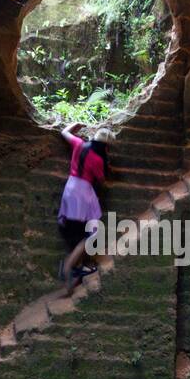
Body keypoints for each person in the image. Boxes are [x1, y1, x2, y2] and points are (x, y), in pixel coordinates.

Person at [57, 124, 114, 296]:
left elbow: (64, 132)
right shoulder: (98, 159)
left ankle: (76, 274)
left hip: (70, 188)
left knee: (75, 233)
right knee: (91, 234)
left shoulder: (79, 144)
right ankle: (68, 265)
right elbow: (101, 180)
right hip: (83, 194)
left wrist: (77, 124)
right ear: (106, 146)